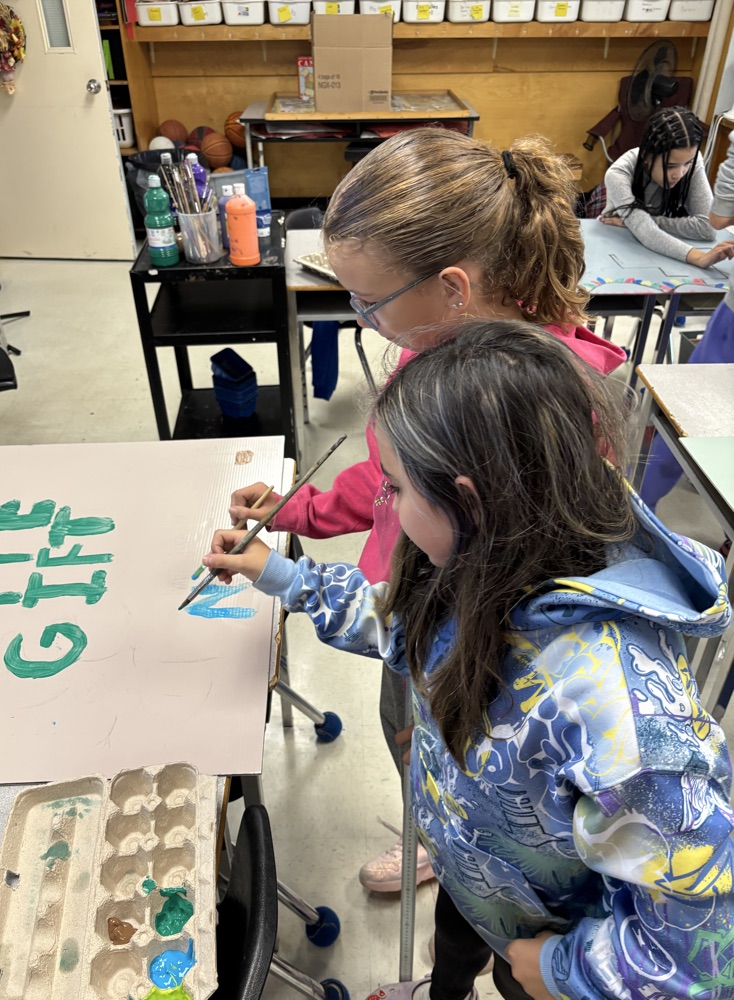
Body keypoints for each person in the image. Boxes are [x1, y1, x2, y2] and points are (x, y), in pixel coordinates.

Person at [206, 321, 733, 1000]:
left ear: (469, 499)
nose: (381, 504)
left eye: (393, 489)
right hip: (474, 871)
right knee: (452, 952)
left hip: (552, 936)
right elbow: (402, 624)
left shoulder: (626, 719)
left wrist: (561, 972)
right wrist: (282, 576)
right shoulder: (483, 558)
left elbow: (698, 951)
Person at [231, 128, 626, 895]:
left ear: (451, 286)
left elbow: (538, 606)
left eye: (367, 300)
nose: (359, 318)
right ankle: (438, 826)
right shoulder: (428, 348)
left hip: (483, 654)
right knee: (407, 732)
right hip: (409, 612)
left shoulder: (548, 407)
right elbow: (388, 486)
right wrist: (299, 510)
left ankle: (461, 844)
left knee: (467, 766)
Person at [640, 128, 734, 512]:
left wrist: (643, 221)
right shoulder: (628, 169)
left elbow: (715, 218)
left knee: (686, 418)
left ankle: (637, 516)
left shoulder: (695, 169)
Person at [600, 105, 734, 270]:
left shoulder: (692, 161)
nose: (679, 173)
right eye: (670, 166)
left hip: (662, 249)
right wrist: (699, 257)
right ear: (646, 157)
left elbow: (707, 228)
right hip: (615, 247)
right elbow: (646, 232)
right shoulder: (619, 173)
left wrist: (648, 222)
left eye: (687, 164)